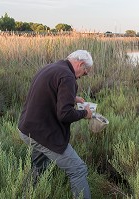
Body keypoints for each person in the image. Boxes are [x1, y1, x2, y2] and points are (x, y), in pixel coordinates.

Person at [18, 50, 93, 199]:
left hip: (28, 129)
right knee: (78, 170)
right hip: (43, 133)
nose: (82, 77)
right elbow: (65, 114)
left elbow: (49, 94)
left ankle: (27, 194)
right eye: (85, 73)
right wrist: (85, 114)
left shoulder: (53, 67)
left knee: (39, 166)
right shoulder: (67, 76)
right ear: (81, 64)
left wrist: (72, 97)